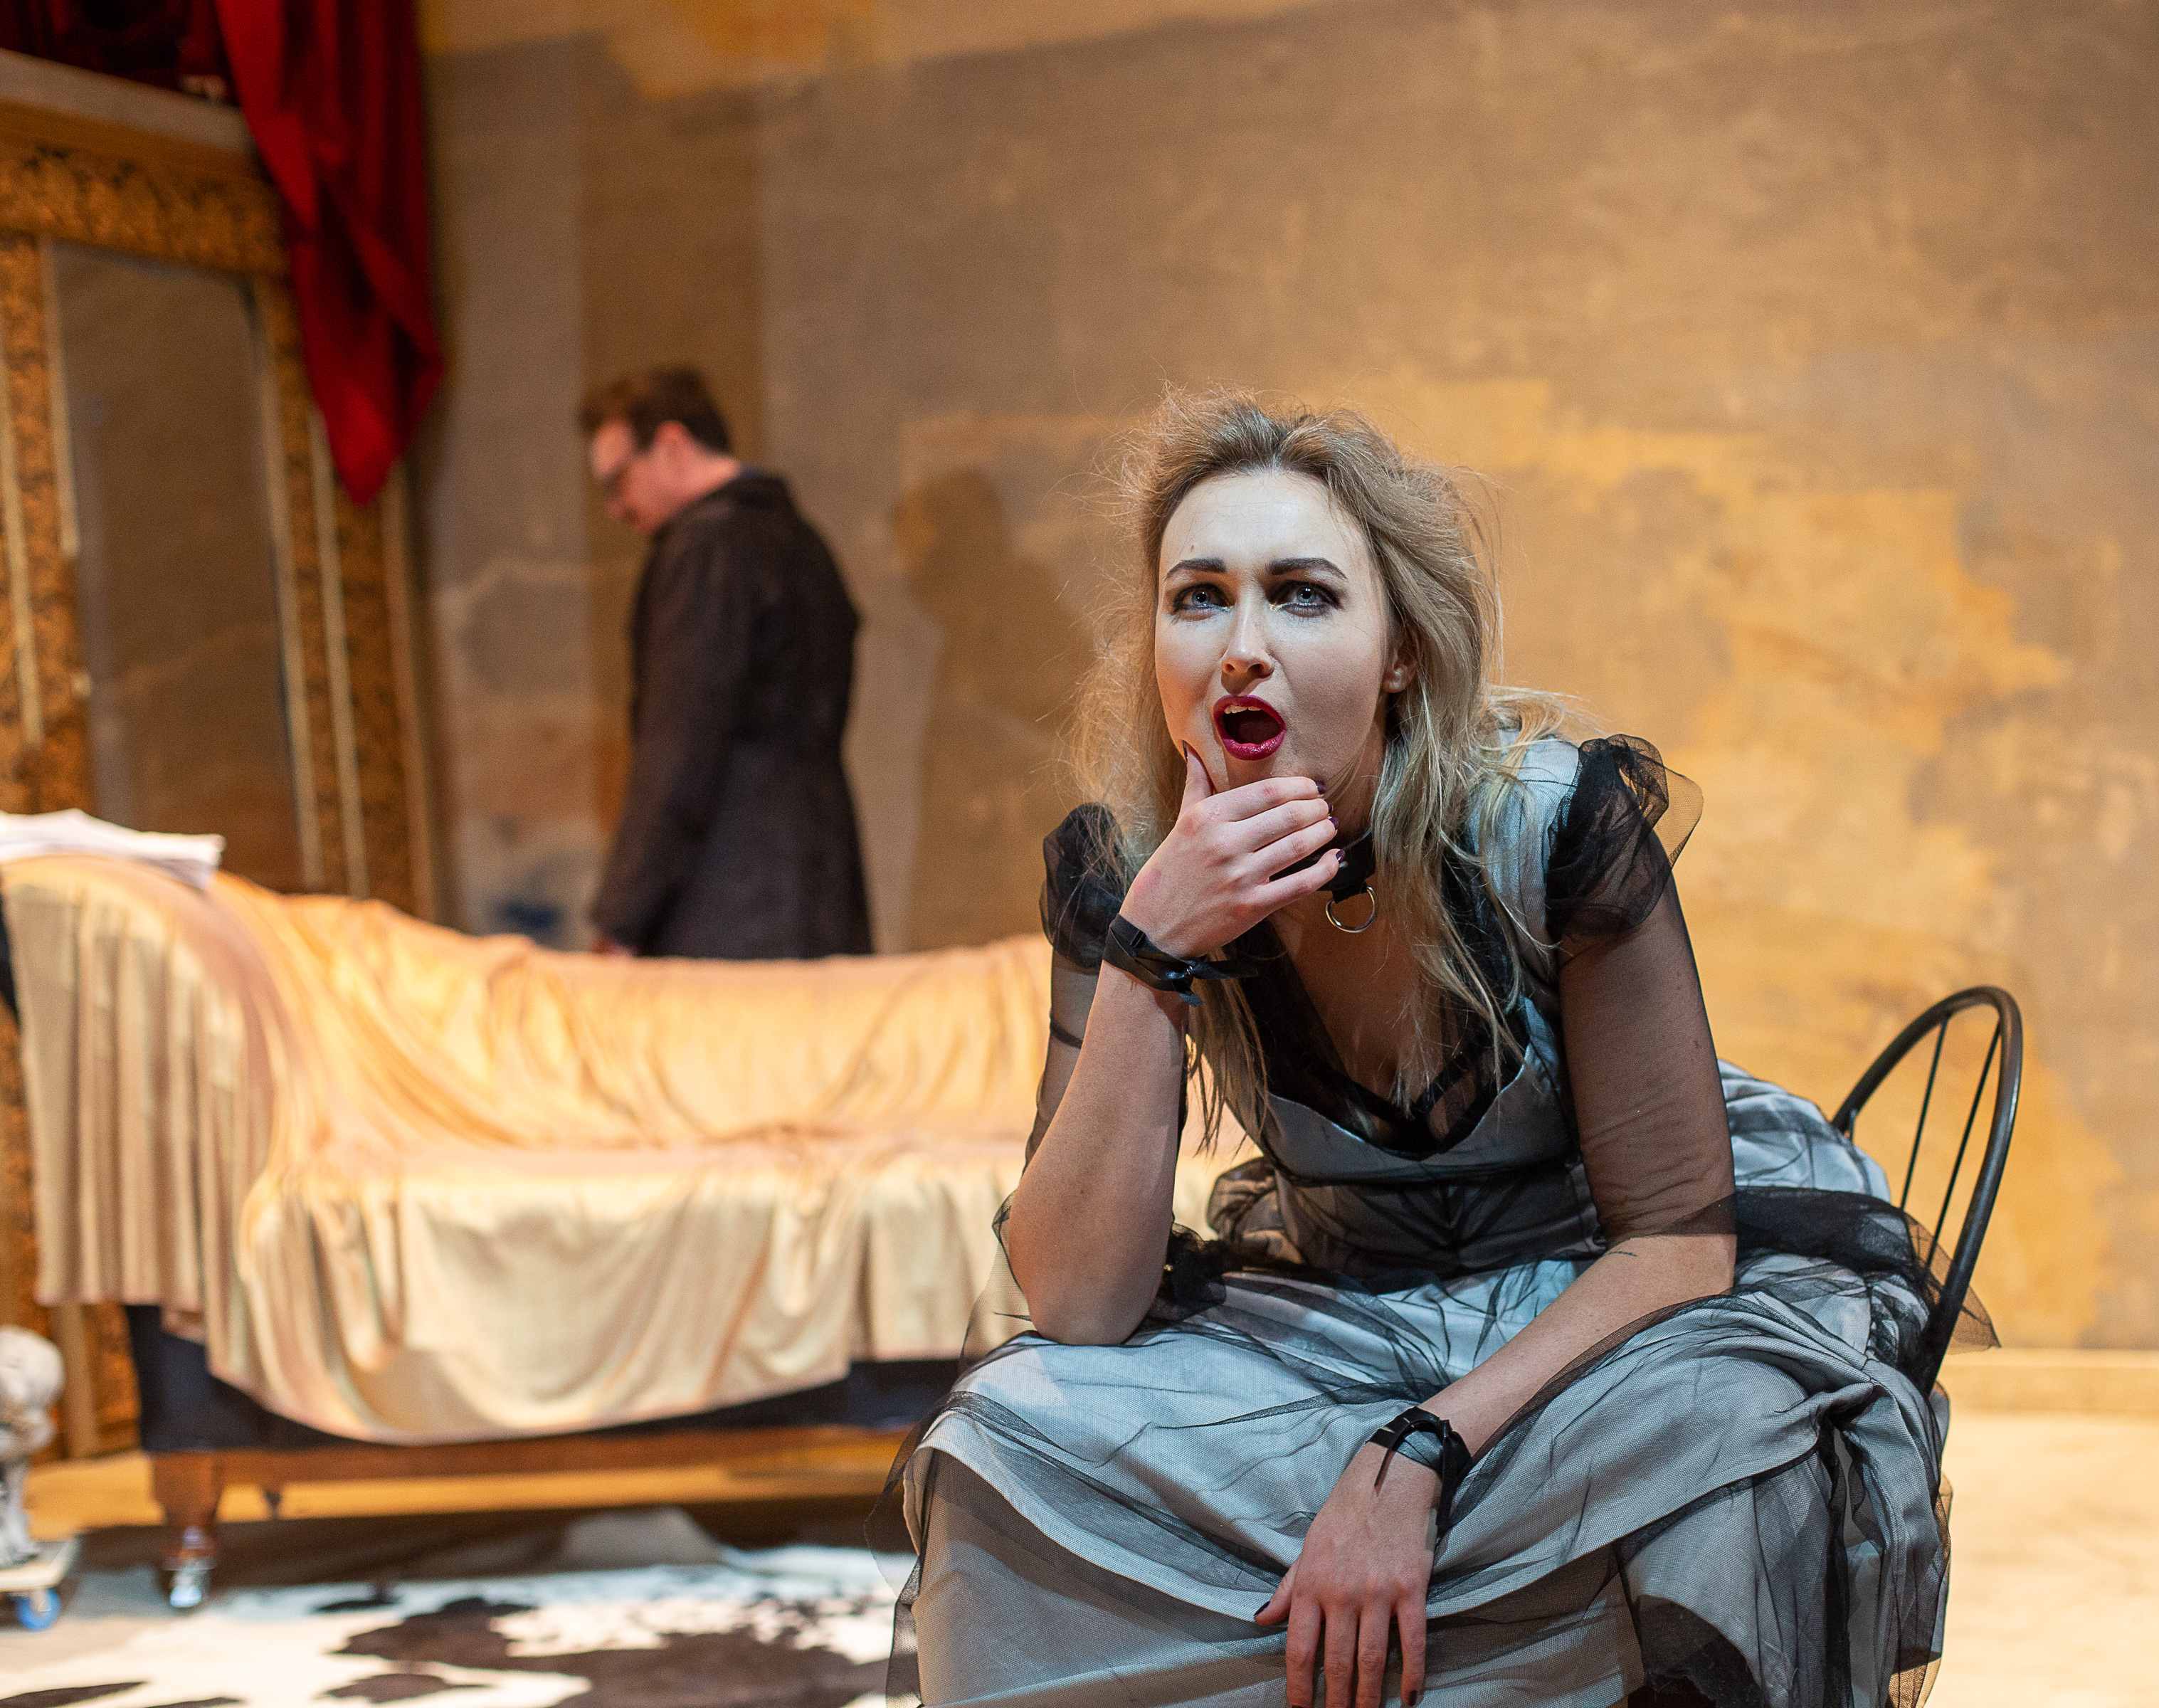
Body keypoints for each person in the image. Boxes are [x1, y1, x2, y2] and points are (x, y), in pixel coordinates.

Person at [892, 391, 1977, 1708]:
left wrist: (1418, 1452)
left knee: (1738, 1444)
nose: (1242, 649)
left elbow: (1678, 1246)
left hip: (1602, 1302)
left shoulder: (1555, 825)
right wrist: (1149, 950)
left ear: (1399, 651)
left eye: (1302, 596)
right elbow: (1075, 1302)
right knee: (1009, 1435)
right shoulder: (1124, 874)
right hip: (1345, 1303)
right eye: (1199, 599)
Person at [579, 367, 871, 959]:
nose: (615, 507)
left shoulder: (706, 548)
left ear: (672, 445)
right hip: (825, 891)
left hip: (729, 908)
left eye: (618, 481)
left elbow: (679, 746)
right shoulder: (803, 540)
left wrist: (622, 922)